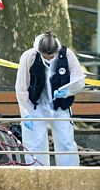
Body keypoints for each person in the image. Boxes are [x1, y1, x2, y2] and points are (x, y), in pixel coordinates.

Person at [15, 31, 85, 166]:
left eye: (51, 57)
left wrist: (67, 91)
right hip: (36, 105)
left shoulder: (67, 55)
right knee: (35, 143)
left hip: (60, 105)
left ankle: (69, 174)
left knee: (66, 141)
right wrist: (25, 114)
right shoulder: (28, 56)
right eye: (45, 57)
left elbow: (79, 80)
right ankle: (37, 173)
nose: (48, 59)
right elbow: (21, 87)